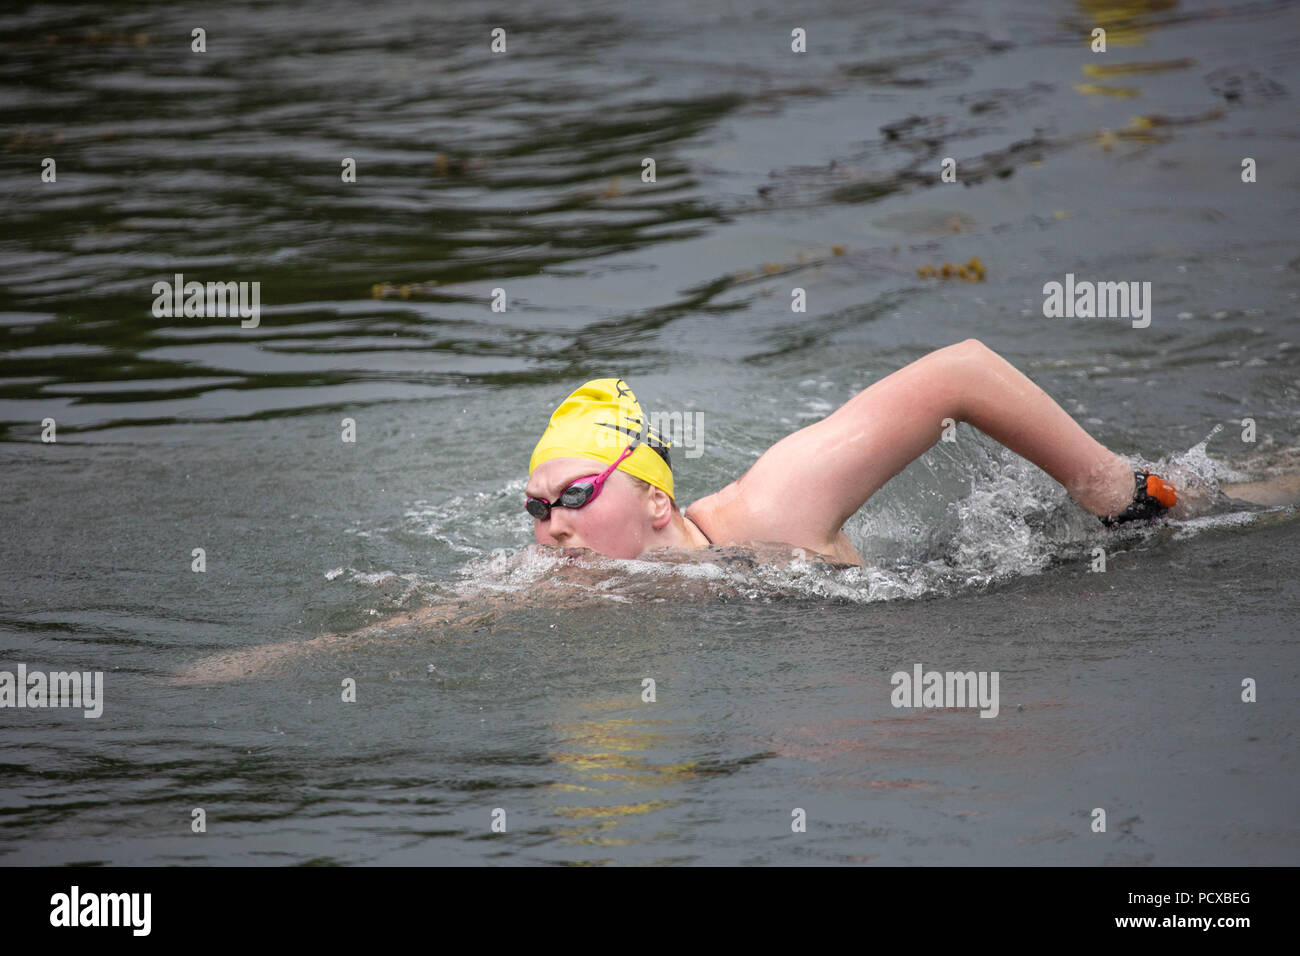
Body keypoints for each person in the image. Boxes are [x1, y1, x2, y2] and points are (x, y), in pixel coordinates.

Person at [524, 338, 1179, 567]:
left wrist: (1110, 489)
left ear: (657, 501)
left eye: (574, 497)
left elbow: (963, 373)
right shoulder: (578, 581)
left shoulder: (771, 508)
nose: (551, 526)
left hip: (1071, 557)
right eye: (536, 508)